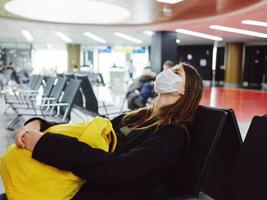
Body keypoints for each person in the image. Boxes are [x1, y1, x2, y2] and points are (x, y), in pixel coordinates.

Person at [15, 63, 203, 200]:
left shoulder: (172, 135)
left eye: (176, 72)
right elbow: (87, 130)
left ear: (185, 90)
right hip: (76, 184)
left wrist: (45, 144)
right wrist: (39, 124)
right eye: (169, 69)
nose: (166, 72)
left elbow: (115, 169)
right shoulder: (136, 117)